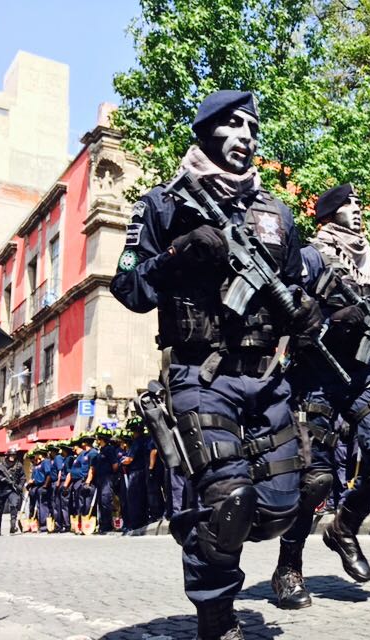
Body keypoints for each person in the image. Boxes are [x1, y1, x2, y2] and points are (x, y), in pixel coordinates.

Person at [111, 90, 320, 640]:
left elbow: (297, 285)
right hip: (200, 375)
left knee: (280, 506)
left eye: (253, 126)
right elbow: (129, 286)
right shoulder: (163, 204)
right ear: (205, 131)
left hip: (266, 377)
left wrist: (309, 310)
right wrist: (180, 255)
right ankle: (216, 616)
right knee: (230, 502)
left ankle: (198, 526)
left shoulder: (274, 212)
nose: (247, 135)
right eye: (233, 125)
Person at [272, 183, 370, 610]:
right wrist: (333, 322)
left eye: (359, 204)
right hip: (315, 378)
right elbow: (288, 315)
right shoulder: (312, 256)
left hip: (361, 377)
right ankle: (288, 567)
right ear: (330, 213)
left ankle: (344, 526)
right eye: (351, 205)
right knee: (316, 481)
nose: (359, 211)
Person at [0, 448, 25, 535]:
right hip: (2, 489)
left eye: (14, 455)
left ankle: (13, 526)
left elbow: (22, 477)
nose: (12, 457)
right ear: (7, 455)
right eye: (11, 455)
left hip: (12, 489)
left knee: (14, 505)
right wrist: (4, 480)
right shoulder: (0, 465)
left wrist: (20, 486)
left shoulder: (19, 465)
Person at [93, 429, 119, 533]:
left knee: (106, 500)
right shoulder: (101, 451)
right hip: (100, 479)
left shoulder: (109, 449)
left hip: (107, 479)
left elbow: (115, 465)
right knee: (101, 502)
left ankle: (108, 525)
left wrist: (111, 477)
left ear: (101, 439)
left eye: (98, 438)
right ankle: (103, 525)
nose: (97, 440)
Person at [54, 441, 72, 533]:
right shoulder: (64, 459)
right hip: (61, 482)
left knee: (65, 505)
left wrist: (65, 485)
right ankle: (60, 525)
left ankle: (67, 525)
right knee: (59, 505)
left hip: (65, 482)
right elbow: (60, 471)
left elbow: (69, 473)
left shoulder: (69, 459)